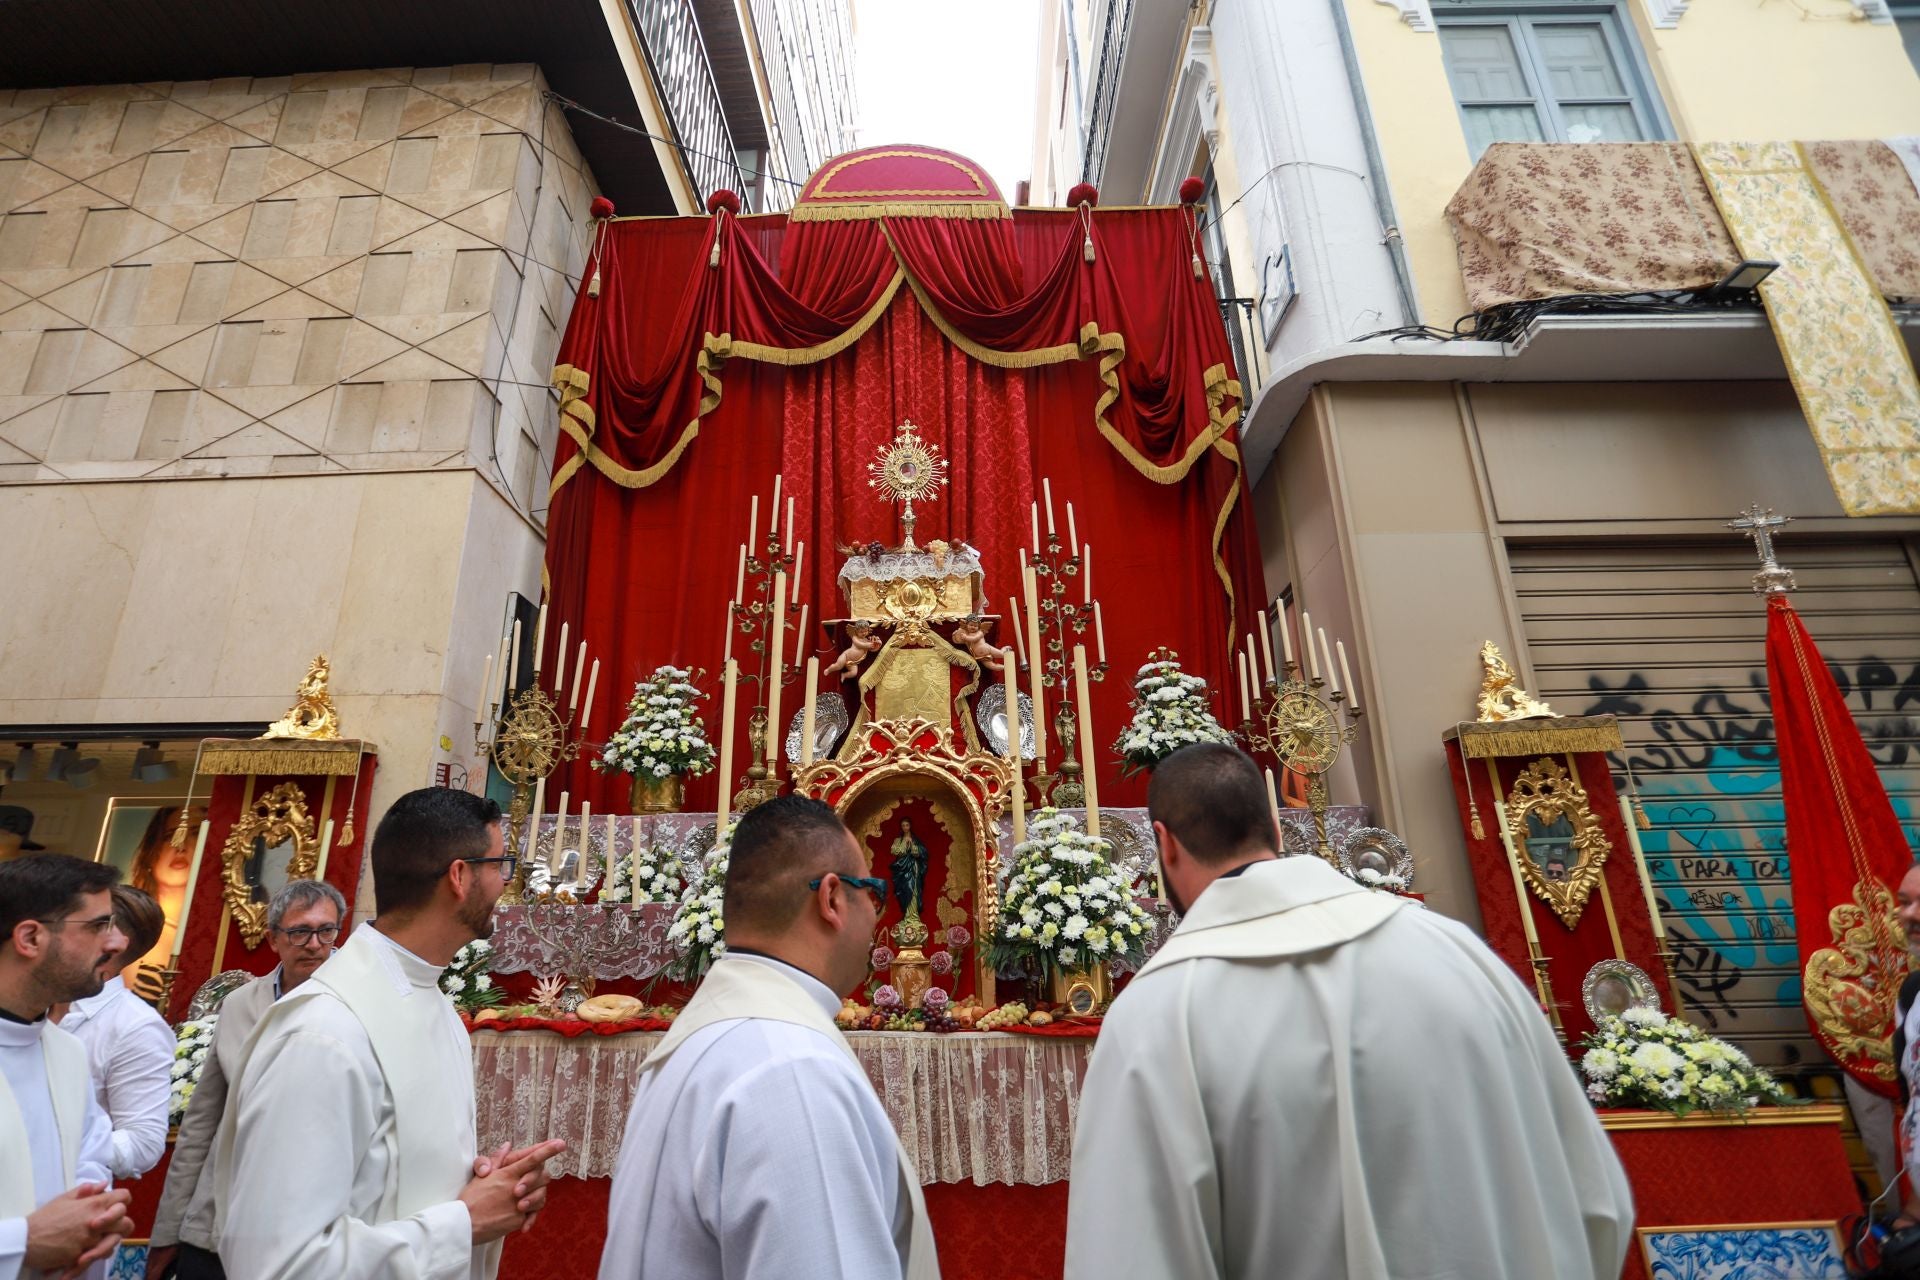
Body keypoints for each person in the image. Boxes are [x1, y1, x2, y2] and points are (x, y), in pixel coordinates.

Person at [1063, 743, 1633, 1280]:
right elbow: (1595, 1199)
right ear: (1278, 827)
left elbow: (1127, 1255)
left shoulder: (1159, 1015)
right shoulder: (1458, 953)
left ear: (1164, 843)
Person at [216, 788, 564, 1280]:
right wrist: (462, 1222)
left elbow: (385, 1181)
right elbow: (275, 1264)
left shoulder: (433, 1004)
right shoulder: (323, 1035)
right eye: (500, 864)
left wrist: (481, 1185)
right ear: (460, 877)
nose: (506, 882)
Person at [598, 795, 940, 1280]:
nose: (878, 916)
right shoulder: (791, 1071)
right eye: (874, 892)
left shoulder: (712, 1036)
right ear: (832, 899)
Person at [147, 879, 347, 1280]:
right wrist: (168, 1231)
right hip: (218, 1221)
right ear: (273, 939)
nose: (314, 944)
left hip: (310, 1226)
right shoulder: (240, 1005)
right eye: (299, 932)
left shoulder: (358, 1002)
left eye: (326, 930)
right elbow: (201, 1124)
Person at [0, 854, 136, 1279]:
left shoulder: (68, 1054)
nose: (117, 943)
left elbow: (90, 1166)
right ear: (30, 938)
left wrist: (94, 1224)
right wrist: (20, 1244)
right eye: (98, 926)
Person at [54, 885, 176, 1180]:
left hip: (64, 1193)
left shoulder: (135, 1026)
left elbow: (143, 1142)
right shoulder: (34, 997)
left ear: (112, 944)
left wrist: (53, 1146)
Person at [1885, 862, 1920, 1228]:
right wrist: (1912, 1211)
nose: (1909, 915)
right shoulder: (1912, 993)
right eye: (1904, 902)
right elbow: (1913, 1102)